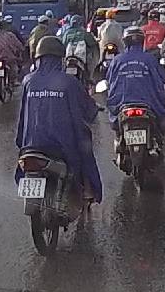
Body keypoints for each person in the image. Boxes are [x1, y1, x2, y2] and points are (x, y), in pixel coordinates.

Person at [16, 35, 102, 203]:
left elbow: (23, 116)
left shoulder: (28, 81)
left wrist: (21, 141)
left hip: (31, 145)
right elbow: (88, 109)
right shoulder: (69, 82)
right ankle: (88, 192)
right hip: (62, 147)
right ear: (60, 58)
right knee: (85, 154)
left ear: (38, 57)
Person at [106, 27, 165, 143]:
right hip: (149, 103)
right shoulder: (150, 59)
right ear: (142, 41)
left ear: (125, 42)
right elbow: (162, 78)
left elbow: (110, 80)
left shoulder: (117, 60)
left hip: (122, 104)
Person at [0, 16, 27, 83]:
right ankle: (12, 81)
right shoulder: (10, 35)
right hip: (9, 58)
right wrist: (22, 49)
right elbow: (18, 45)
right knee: (14, 68)